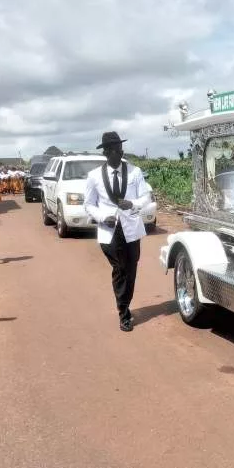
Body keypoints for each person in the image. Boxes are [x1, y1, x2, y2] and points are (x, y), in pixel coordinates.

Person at [84, 132, 151, 332]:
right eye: (113, 150)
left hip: (131, 228)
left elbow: (146, 197)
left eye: (119, 149)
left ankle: (125, 303)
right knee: (120, 268)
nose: (117, 153)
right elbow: (88, 205)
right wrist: (103, 217)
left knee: (130, 270)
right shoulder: (94, 176)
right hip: (108, 231)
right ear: (106, 153)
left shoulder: (135, 172)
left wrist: (133, 203)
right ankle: (124, 312)